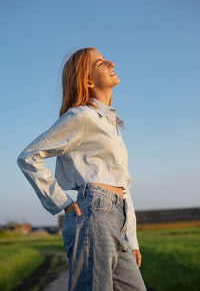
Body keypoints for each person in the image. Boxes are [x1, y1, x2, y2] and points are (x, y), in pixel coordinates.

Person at [17, 47, 147, 291]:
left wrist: (133, 239)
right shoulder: (81, 116)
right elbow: (28, 157)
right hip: (94, 214)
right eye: (100, 63)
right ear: (88, 81)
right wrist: (62, 202)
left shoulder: (111, 125)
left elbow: (123, 184)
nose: (111, 62)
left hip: (118, 218)